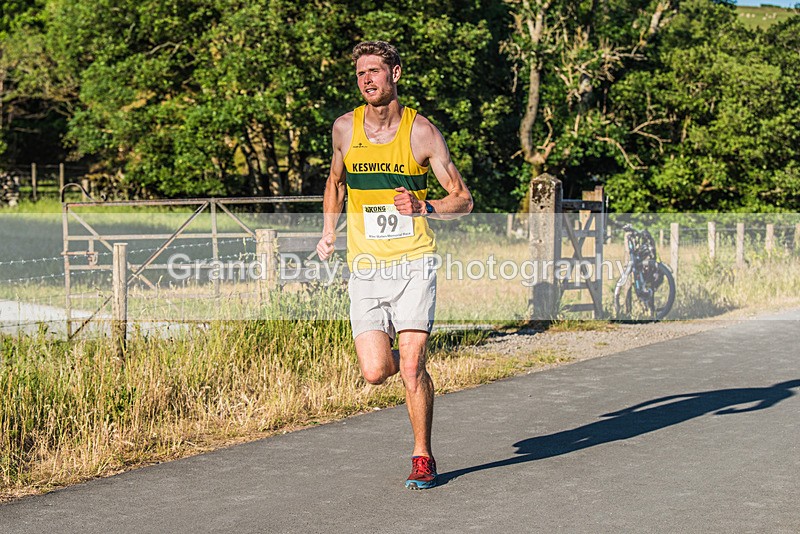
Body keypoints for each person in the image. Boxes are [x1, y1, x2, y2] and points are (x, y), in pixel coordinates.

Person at [316, 41, 473, 489]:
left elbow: (463, 199)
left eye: (375, 71)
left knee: (411, 368)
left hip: (413, 263)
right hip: (366, 267)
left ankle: (422, 455)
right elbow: (336, 183)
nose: (366, 79)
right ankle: (399, 347)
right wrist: (329, 231)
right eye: (360, 73)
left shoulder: (421, 133)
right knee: (375, 372)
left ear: (396, 73)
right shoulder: (344, 128)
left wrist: (424, 206)